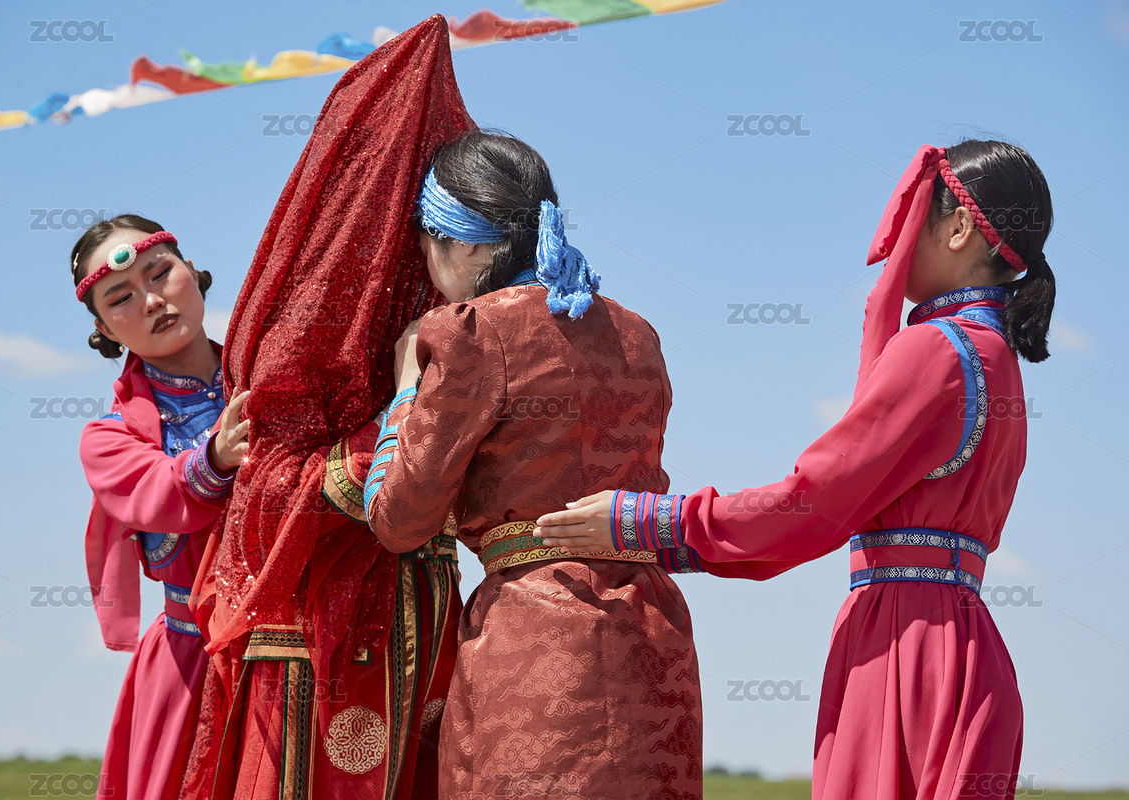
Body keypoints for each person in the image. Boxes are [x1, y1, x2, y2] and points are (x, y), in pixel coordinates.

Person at [536, 139, 1056, 800]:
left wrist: (645, 522)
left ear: (958, 228)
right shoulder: (992, 355)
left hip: (905, 651)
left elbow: (811, 505)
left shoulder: (937, 350)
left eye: (917, 214)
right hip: (961, 650)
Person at [179, 16, 471, 800]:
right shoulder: (302, 318)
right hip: (314, 646)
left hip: (428, 617)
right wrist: (406, 407)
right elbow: (271, 487)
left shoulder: (463, 315)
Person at [364, 131, 704, 800]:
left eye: (428, 241)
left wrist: (407, 383)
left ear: (466, 244)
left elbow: (398, 518)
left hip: (538, 640)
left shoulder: (469, 331)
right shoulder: (637, 332)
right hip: (654, 634)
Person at [73, 214, 249, 800]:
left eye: (160, 273)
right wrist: (218, 457)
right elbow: (165, 492)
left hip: (319, 643)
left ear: (192, 272)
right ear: (105, 328)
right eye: (122, 298)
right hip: (194, 663)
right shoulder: (109, 439)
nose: (151, 300)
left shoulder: (276, 373)